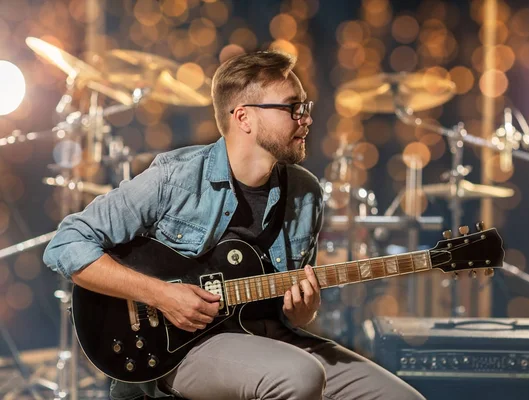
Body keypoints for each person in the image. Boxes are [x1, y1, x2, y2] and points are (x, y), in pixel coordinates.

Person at [43, 51, 425, 400]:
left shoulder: (305, 192)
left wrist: (302, 311)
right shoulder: (175, 177)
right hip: (180, 350)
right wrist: (162, 295)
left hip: (266, 337)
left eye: (305, 106)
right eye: (293, 108)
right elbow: (66, 244)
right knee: (298, 376)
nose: (307, 118)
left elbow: (286, 309)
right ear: (244, 116)